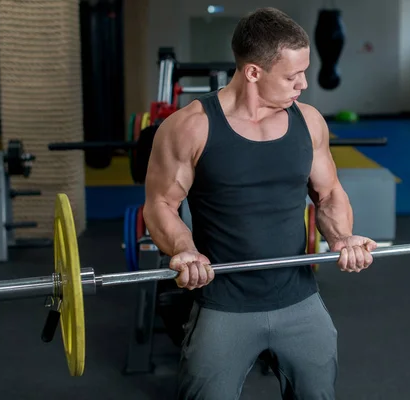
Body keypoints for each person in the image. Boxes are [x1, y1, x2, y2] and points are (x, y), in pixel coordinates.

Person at [143, 7, 378, 400]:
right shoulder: (190, 127)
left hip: (299, 297)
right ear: (253, 72)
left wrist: (343, 237)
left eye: (304, 72)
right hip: (223, 303)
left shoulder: (309, 121)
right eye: (292, 75)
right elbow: (160, 204)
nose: (303, 84)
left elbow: (330, 192)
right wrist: (184, 251)